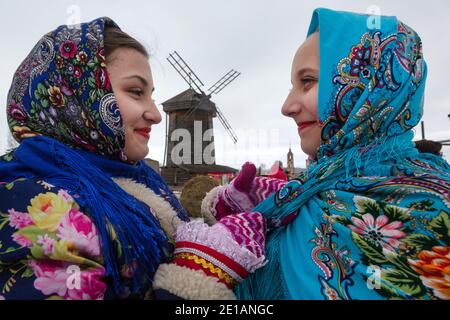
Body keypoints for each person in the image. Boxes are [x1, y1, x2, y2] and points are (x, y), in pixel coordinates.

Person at [0, 17, 266, 300]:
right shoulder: (38, 210)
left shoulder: (136, 180)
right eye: (136, 92)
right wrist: (188, 288)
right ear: (76, 96)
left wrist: (222, 216)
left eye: (152, 96)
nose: (155, 114)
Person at [201, 8, 450, 300]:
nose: (287, 106)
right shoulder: (308, 193)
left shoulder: (434, 209)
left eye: (307, 82)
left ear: (367, 86)